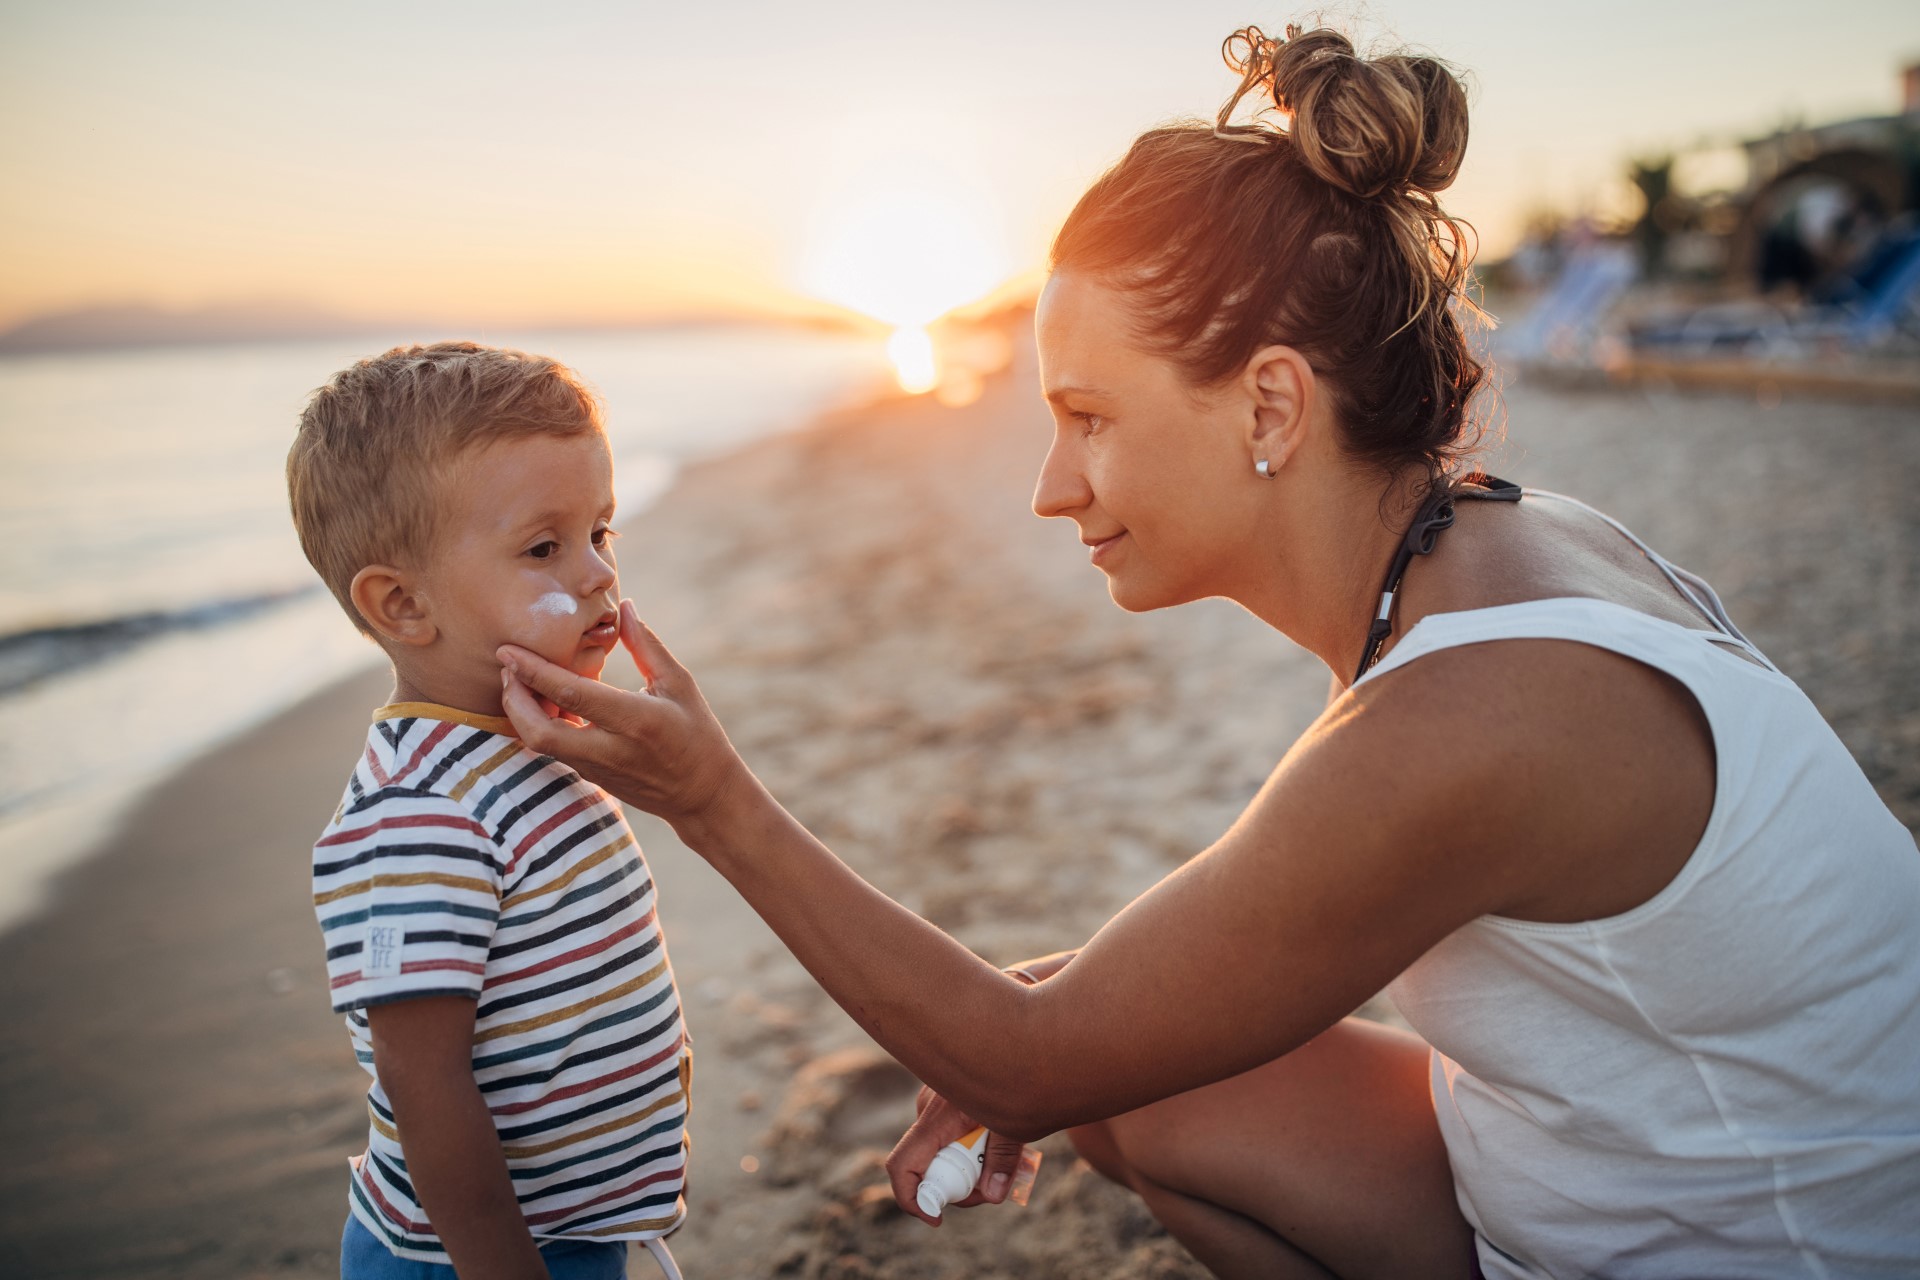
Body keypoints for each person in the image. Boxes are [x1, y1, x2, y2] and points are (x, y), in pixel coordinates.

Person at [493, 26, 1920, 1280]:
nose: (1051, 486)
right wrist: (1069, 1004)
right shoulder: (1492, 550)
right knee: (1136, 1073)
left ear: (1272, 408)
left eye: (1092, 419)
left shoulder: (1481, 709)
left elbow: (1021, 1068)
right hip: (1640, 1166)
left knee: (1083, 1065)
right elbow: (1129, 1015)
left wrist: (712, 801)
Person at [288, 342, 692, 1280]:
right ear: (403, 605)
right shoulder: (421, 811)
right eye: (544, 547)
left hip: (579, 1232)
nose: (596, 574)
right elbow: (424, 1084)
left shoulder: (531, 739)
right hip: (474, 1258)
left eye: (603, 531)